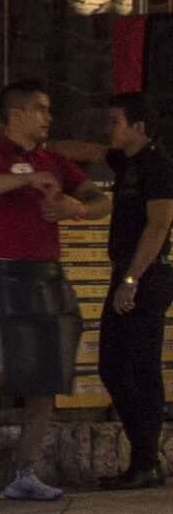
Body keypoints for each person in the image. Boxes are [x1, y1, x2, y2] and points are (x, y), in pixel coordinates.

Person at [0, 79, 107, 501]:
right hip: (8, 272)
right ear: (17, 114)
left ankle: (25, 471)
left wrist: (78, 208)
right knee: (4, 366)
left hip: (48, 273)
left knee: (46, 376)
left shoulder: (55, 161)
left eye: (48, 109)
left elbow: (100, 199)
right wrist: (24, 180)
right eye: (40, 108)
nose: (47, 117)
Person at [94, 93, 168, 491]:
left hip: (147, 275)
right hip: (125, 270)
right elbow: (90, 149)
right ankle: (145, 455)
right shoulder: (127, 162)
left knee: (140, 366)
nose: (110, 129)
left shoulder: (157, 165)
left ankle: (145, 460)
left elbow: (158, 226)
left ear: (139, 126)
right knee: (112, 365)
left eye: (116, 121)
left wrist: (131, 280)